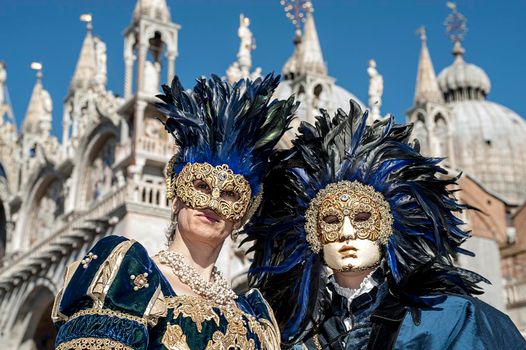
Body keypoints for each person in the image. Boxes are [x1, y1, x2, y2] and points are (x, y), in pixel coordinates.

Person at [244, 100, 526, 349]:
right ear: (311, 234)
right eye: (330, 220)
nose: (346, 232)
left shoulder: (447, 318)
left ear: (389, 227)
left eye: (362, 218)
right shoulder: (294, 332)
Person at [51, 73, 296, 349]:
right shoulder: (131, 279)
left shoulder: (253, 316)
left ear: (242, 215)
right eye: (201, 186)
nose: (212, 203)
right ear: (176, 197)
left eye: (230, 195)